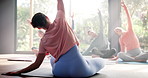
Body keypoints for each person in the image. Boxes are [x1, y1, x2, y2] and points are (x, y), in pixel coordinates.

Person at [5, 0, 105, 77]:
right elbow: (60, 2)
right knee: (100, 62)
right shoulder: (60, 20)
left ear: (39, 28)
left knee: (53, 58)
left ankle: (62, 60)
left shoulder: (43, 41)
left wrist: (18, 72)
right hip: (80, 70)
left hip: (59, 72)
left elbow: (37, 64)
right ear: (47, 18)